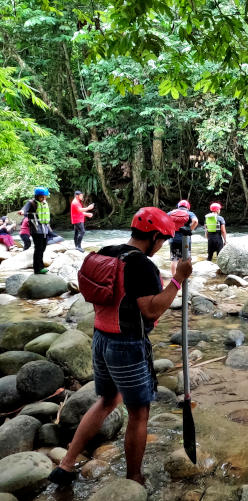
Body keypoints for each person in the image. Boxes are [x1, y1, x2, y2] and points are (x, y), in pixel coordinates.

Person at [48, 207, 193, 487]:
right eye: (161, 239)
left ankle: (66, 465)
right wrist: (178, 280)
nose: (162, 245)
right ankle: (134, 478)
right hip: (126, 346)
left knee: (107, 400)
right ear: (152, 236)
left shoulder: (106, 250)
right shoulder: (142, 265)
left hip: (100, 338)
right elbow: (151, 311)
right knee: (139, 413)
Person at [22, 187, 51, 274]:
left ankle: (40, 266)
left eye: (44, 197)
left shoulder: (44, 203)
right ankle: (37, 269)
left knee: (43, 247)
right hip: (36, 229)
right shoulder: (31, 203)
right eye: (42, 197)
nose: (43, 198)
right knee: (38, 248)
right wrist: (22, 211)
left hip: (44, 229)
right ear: (37, 196)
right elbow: (24, 209)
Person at [168, 200, 198, 277]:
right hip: (185, 240)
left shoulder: (171, 213)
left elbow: (163, 220)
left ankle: (174, 277)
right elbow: (195, 221)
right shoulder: (189, 213)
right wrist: (189, 229)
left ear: (178, 206)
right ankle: (186, 278)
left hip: (173, 239)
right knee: (187, 259)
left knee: (174, 259)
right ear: (188, 207)